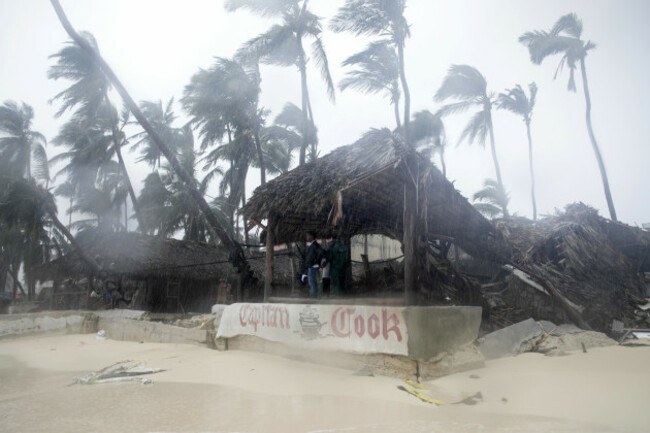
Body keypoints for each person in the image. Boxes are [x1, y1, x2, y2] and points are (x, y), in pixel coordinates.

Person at [302, 231, 323, 299]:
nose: (306, 237)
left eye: (307, 236)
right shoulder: (313, 245)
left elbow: (320, 253)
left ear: (311, 236)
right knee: (313, 284)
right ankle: (313, 297)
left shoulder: (314, 245)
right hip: (312, 266)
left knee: (313, 284)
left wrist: (314, 262)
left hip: (312, 267)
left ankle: (313, 299)